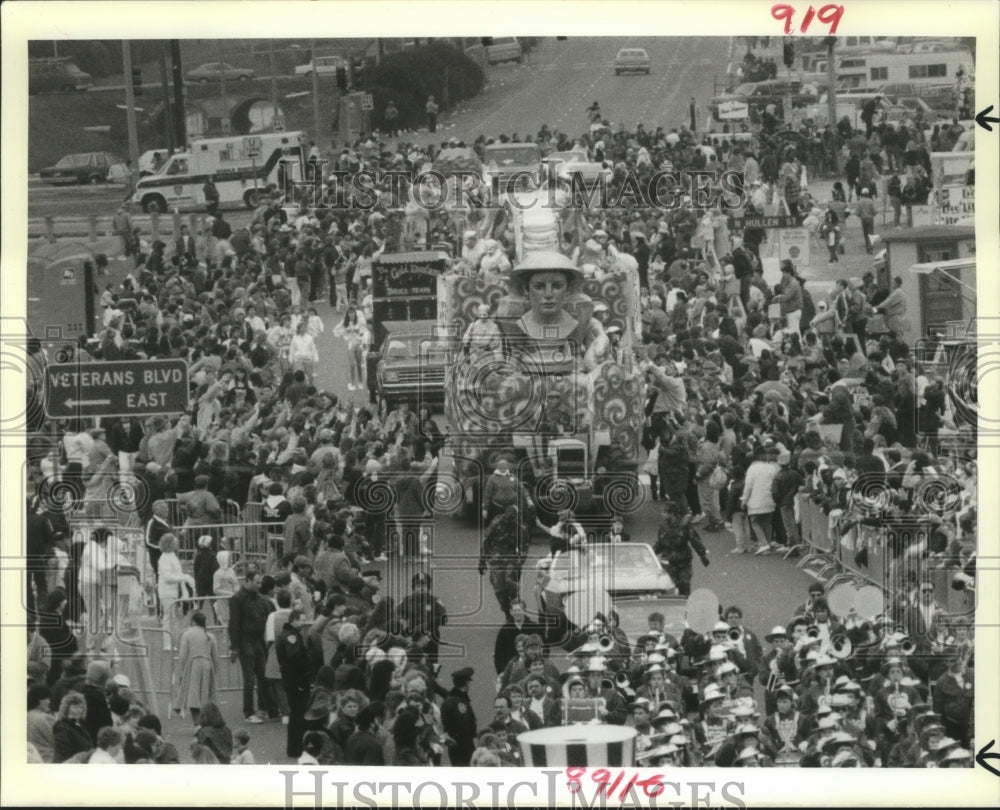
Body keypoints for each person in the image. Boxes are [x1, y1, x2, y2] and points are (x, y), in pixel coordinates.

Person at [228, 568, 276, 724]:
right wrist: (234, 647)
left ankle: (265, 708)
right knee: (249, 679)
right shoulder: (238, 599)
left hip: (257, 640)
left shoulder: (258, 598)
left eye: (260, 582)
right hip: (245, 640)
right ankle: (249, 712)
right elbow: (233, 624)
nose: (260, 585)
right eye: (257, 582)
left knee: (263, 676)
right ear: (248, 581)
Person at [653, 496, 710, 596]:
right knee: (669, 588)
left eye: (666, 512)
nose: (663, 515)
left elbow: (695, 540)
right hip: (668, 562)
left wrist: (702, 555)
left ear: (672, 513)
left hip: (683, 561)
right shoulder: (663, 527)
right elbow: (660, 543)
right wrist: (651, 554)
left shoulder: (684, 526)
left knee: (684, 587)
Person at [176, 611, 220, 725]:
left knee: (193, 696)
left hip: (192, 665)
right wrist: (214, 670)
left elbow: (183, 655)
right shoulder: (210, 636)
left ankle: (197, 722)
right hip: (207, 665)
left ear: (193, 621)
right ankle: (205, 721)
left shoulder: (187, 634)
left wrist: (182, 671)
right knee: (205, 695)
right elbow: (215, 656)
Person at [440, 667, 477, 766]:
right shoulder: (460, 703)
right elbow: (463, 728)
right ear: (466, 683)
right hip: (463, 748)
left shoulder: (450, 699)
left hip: (454, 747)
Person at [52, 692, 92, 763]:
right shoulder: (61, 727)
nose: (78, 710)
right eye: (74, 707)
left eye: (80, 707)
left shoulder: (79, 723)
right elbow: (63, 754)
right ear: (66, 709)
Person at [855, 188, 877, 254]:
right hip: (870, 219)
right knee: (871, 233)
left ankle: (867, 248)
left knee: (865, 234)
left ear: (862, 194)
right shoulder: (870, 201)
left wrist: (861, 216)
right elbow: (875, 211)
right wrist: (872, 215)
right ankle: (871, 248)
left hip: (863, 219)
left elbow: (857, 212)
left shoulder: (859, 202)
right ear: (868, 194)